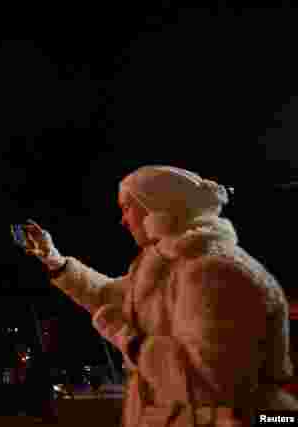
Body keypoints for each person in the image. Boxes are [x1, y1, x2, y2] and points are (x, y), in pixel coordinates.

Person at [23, 165, 298, 427]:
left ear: (155, 208)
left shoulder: (213, 271)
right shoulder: (163, 268)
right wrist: (54, 260)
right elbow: (105, 295)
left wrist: (131, 342)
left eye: (126, 208)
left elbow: (214, 381)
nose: (123, 220)